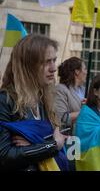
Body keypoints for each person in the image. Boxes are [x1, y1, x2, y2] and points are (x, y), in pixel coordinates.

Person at [0, 34, 68, 171]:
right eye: (46, 62)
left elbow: (52, 138)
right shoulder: (5, 100)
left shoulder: (44, 100)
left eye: (54, 60)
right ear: (27, 66)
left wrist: (35, 144)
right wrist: (52, 146)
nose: (54, 68)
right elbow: (5, 155)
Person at [54, 57, 87, 131]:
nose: (86, 72)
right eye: (85, 69)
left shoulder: (84, 90)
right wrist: (85, 111)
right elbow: (61, 118)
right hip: (68, 136)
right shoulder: (60, 89)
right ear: (77, 71)